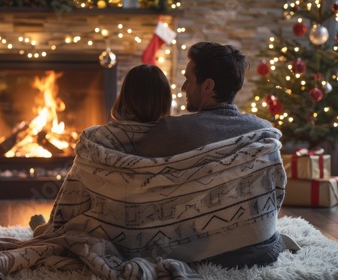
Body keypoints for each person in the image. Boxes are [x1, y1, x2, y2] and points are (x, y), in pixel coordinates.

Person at [133, 41, 291, 268]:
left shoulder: (172, 130)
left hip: (206, 257)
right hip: (263, 249)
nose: (183, 87)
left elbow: (133, 168)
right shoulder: (263, 130)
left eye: (188, 79)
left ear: (208, 86)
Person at [31, 63, 173, 236]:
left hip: (102, 232)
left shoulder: (95, 139)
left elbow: (72, 200)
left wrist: (52, 226)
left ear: (125, 97)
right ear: (166, 101)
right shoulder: (174, 141)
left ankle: (40, 225)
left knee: (41, 230)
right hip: (153, 236)